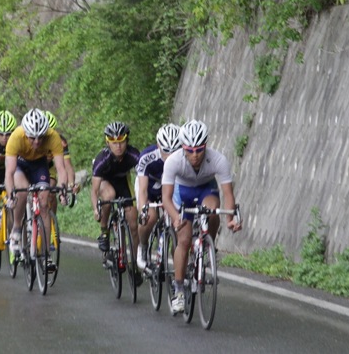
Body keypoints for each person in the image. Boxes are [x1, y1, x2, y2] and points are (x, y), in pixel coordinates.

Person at [161, 119, 242, 314]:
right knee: (184, 239)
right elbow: (166, 197)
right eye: (189, 150)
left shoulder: (218, 160)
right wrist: (175, 218)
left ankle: (208, 245)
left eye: (199, 150)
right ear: (183, 148)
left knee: (213, 211)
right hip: (182, 195)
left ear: (206, 146)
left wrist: (230, 218)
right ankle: (179, 291)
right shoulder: (173, 161)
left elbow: (228, 194)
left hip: (207, 190)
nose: (195, 155)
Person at [4, 108, 70, 272]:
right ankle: (17, 227)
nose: (37, 142)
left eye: (41, 137)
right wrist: (10, 192)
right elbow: (9, 172)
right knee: (22, 190)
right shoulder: (16, 137)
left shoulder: (53, 136)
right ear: (26, 133)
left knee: (44, 203)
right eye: (32, 138)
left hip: (39, 165)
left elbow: (61, 169)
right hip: (19, 163)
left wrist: (62, 188)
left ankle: (46, 255)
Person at [90, 121, 143, 284]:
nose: (118, 146)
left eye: (121, 141)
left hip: (122, 182)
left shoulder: (134, 155)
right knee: (109, 195)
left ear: (127, 141)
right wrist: (95, 209)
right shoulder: (102, 159)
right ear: (108, 143)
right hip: (105, 182)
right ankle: (105, 231)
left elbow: (143, 178)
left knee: (134, 225)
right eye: (114, 142)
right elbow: (94, 190)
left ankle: (134, 265)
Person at [135, 123, 181, 270]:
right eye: (166, 151)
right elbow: (142, 191)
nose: (170, 157)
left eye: (175, 151)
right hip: (148, 188)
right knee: (150, 217)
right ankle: (142, 246)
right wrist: (143, 210)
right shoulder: (147, 157)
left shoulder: (184, 158)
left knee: (177, 222)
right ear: (158, 145)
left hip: (169, 189)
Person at [43, 110, 78, 213]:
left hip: (48, 167)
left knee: (51, 191)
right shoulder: (33, 139)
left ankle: (52, 223)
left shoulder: (60, 141)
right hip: (33, 166)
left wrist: (71, 184)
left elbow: (67, 166)